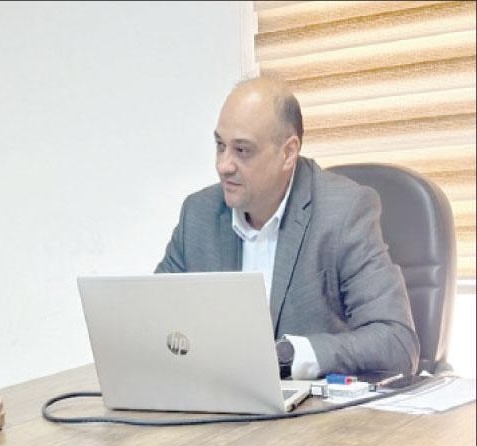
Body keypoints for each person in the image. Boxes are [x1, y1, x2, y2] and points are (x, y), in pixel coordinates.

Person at [155, 76, 420, 380]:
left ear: (288, 153)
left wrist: (286, 356)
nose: (223, 165)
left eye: (242, 150)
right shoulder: (198, 214)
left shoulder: (343, 213)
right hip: (220, 398)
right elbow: (154, 321)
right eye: (220, 146)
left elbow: (397, 343)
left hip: (310, 406)